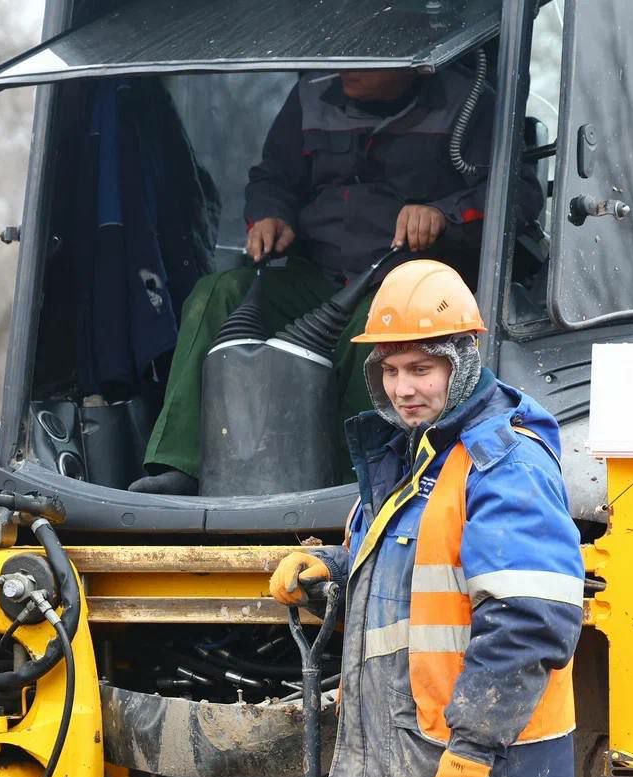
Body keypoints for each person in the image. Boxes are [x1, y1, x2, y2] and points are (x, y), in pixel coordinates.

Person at [268, 260, 584, 777]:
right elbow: (412, 582)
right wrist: (333, 573)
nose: (403, 389)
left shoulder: (504, 462)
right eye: (389, 370)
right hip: (418, 770)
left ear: (461, 362)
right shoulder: (413, 460)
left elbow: (530, 618)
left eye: (421, 368)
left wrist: (473, 748)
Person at [129, 63, 544, 495]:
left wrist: (443, 214)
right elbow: (273, 177)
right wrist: (271, 216)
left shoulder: (468, 99)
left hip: (404, 282)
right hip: (317, 273)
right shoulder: (311, 96)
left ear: (410, 57)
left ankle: (356, 484)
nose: (343, 66)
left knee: (382, 323)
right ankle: (183, 463)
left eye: (363, 56)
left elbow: (521, 195)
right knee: (216, 293)